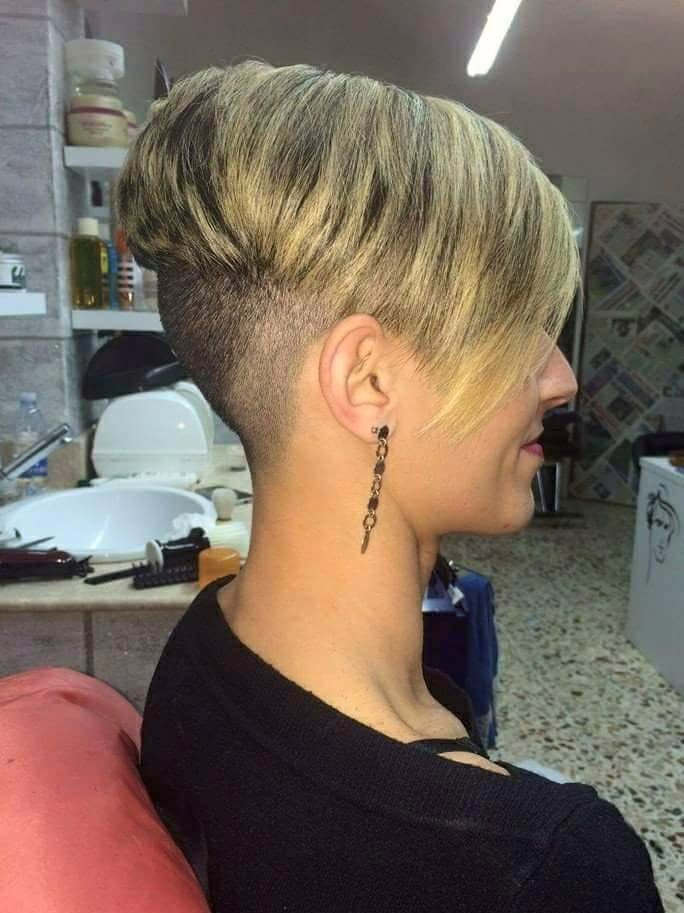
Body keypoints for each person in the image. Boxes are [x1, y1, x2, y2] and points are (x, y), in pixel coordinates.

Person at [116, 60, 664, 912]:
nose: (559, 377)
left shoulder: (202, 656)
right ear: (367, 380)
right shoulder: (545, 871)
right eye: (516, 326)